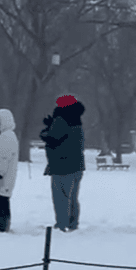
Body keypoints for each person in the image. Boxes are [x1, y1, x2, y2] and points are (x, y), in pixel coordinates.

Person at [39, 95, 86, 232]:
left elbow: (51, 138)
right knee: (72, 197)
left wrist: (47, 128)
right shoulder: (77, 121)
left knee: (61, 197)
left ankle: (61, 224)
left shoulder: (61, 120)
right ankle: (73, 222)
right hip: (77, 165)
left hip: (62, 165)